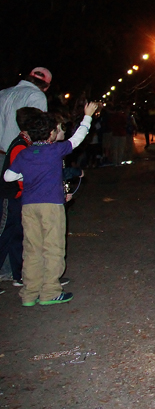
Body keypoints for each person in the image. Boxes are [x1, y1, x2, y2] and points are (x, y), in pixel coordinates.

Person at [4, 101, 99, 306]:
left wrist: (27, 174)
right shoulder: (55, 150)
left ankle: (29, 293)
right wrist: (88, 116)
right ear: (50, 134)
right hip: (51, 205)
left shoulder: (24, 153)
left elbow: (8, 176)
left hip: (28, 206)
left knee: (32, 249)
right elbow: (78, 138)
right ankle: (50, 292)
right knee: (53, 247)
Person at [0, 108, 44, 289]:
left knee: (16, 236)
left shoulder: (24, 143)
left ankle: (18, 275)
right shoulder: (20, 145)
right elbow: (18, 174)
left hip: (16, 196)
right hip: (10, 196)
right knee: (5, 236)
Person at [0, 68, 52, 155]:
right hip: (13, 154)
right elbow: (38, 130)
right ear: (46, 87)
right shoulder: (37, 96)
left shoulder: (3, 92)